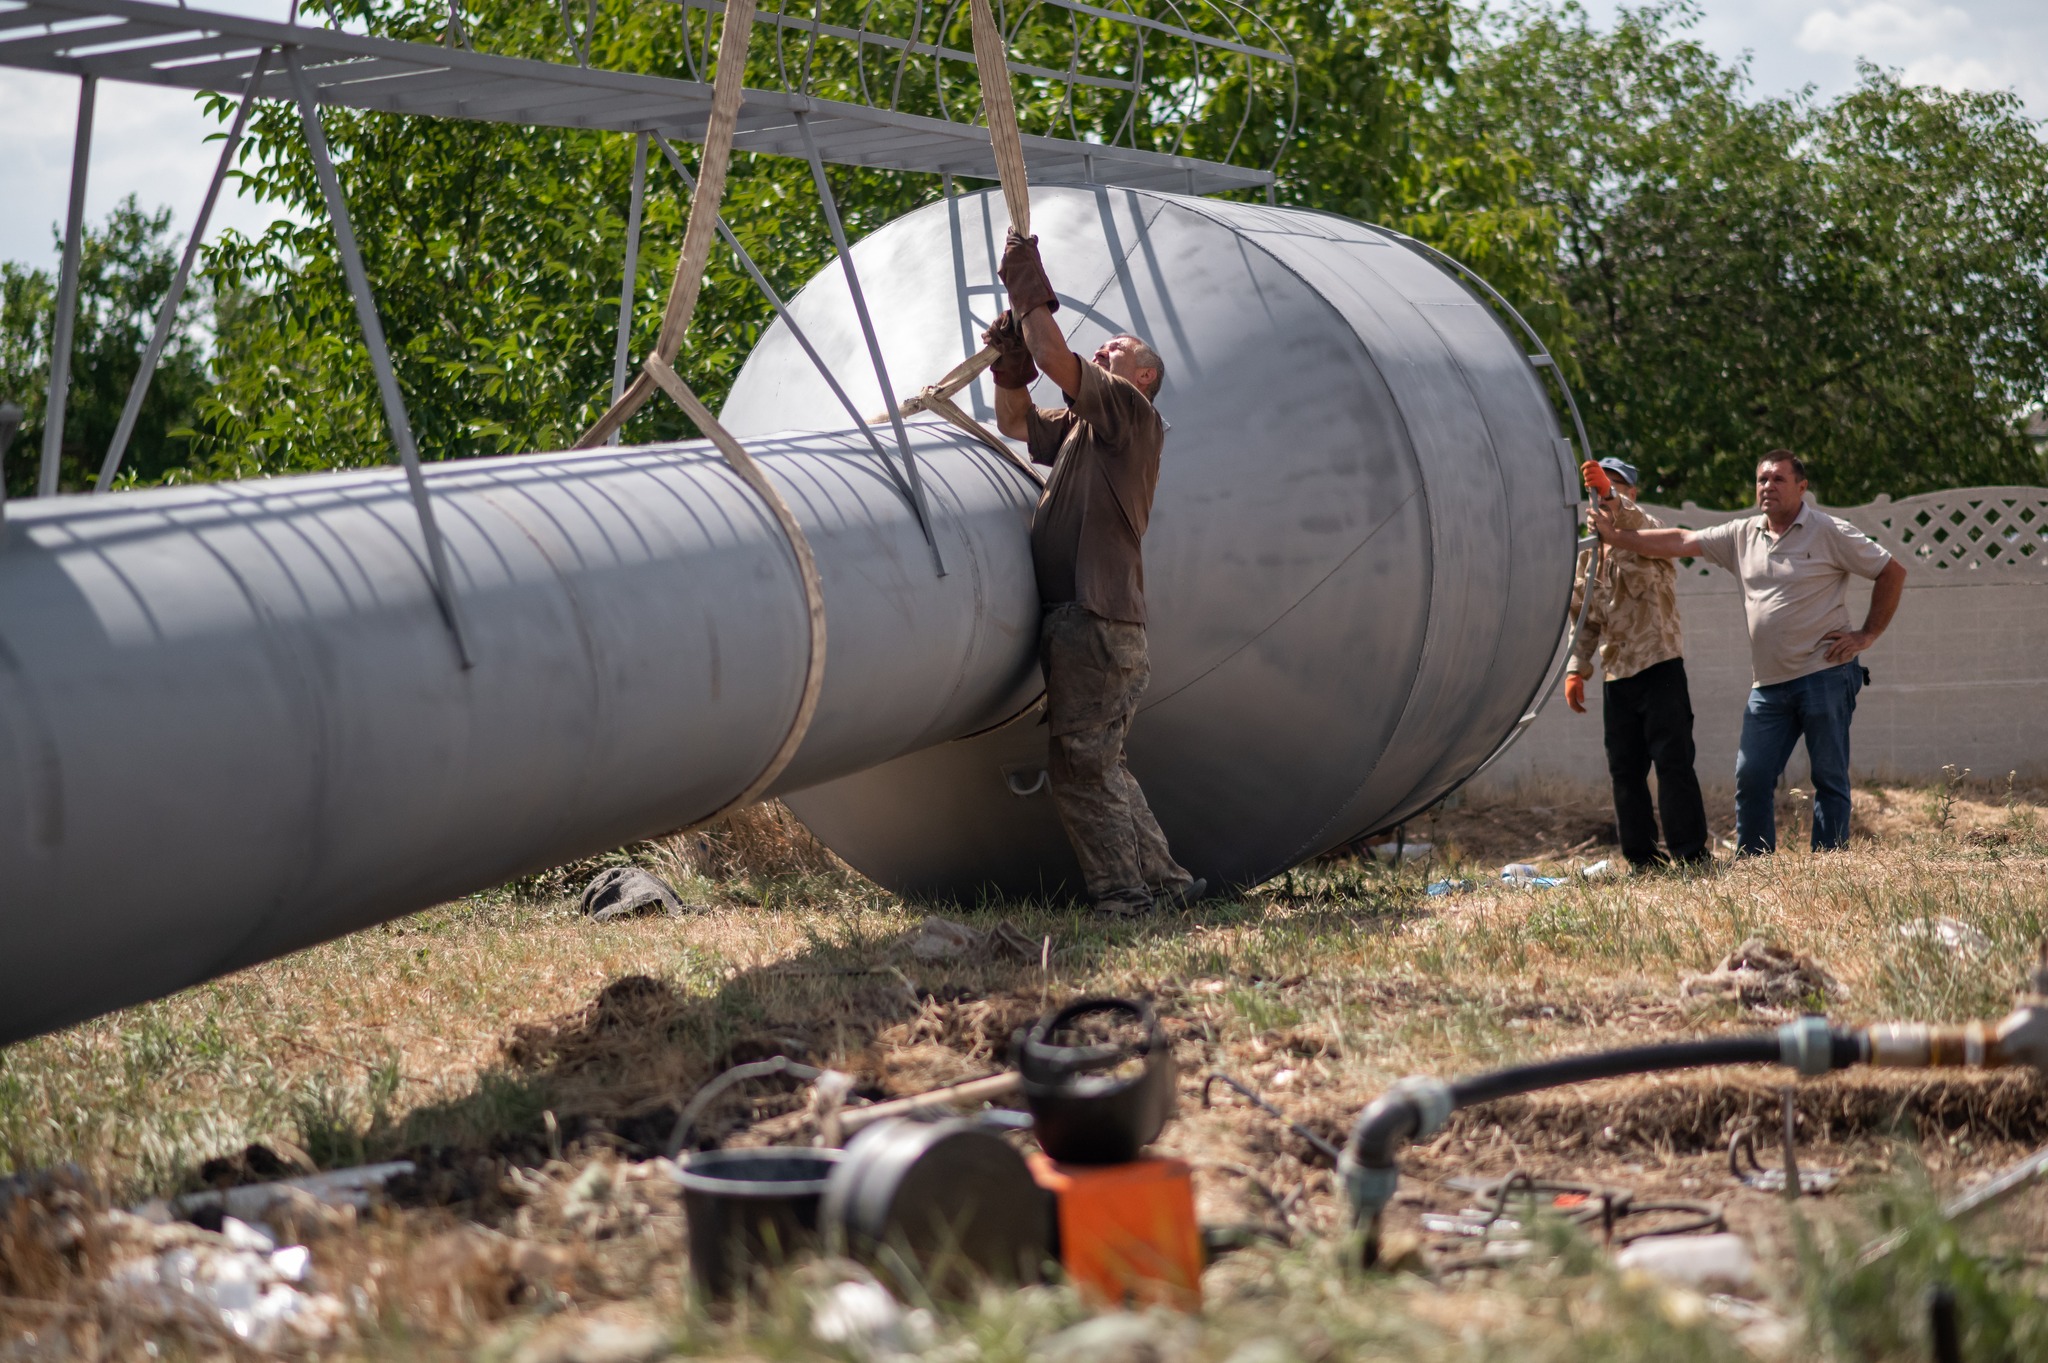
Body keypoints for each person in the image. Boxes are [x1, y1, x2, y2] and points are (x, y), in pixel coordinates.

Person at [982, 227, 1203, 916]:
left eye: (1117, 348)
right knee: (1101, 763)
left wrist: (1025, 280)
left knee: (1078, 770)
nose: (1102, 346)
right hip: (1100, 625)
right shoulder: (1088, 430)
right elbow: (1016, 423)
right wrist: (1009, 368)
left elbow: (1056, 352)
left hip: (1095, 619)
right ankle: (1167, 885)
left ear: (1141, 377)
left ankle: (1125, 898)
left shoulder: (1130, 413)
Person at [1591, 451, 1907, 854]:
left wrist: (1867, 634)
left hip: (1825, 673)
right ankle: (1756, 865)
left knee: (1828, 776)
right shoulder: (1742, 534)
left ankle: (1830, 862)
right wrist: (1618, 537)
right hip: (1769, 685)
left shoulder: (1828, 531)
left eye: (1778, 479)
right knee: (1752, 775)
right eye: (1761, 480)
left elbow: (1891, 571)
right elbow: (1681, 540)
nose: (1767, 487)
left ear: (1801, 487)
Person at [1565, 457, 1710, 870]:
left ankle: (1691, 853)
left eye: (1616, 487)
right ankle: (1642, 858)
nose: (1605, 493)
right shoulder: (1588, 554)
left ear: (1632, 492)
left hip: (1659, 663)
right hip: (1618, 672)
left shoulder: (1649, 533)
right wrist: (1577, 668)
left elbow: (1637, 520)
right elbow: (1585, 618)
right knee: (1625, 770)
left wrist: (1612, 502)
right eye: (1599, 488)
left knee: (1673, 761)